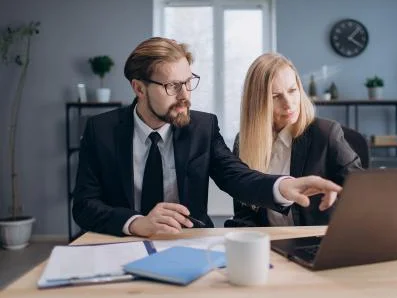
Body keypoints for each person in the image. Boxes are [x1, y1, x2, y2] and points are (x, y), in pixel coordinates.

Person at [72, 37, 342, 238]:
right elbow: (85, 206)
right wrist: (136, 222)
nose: (185, 96)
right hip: (122, 243)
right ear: (139, 88)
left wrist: (283, 187)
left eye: (188, 82)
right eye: (172, 86)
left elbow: (237, 176)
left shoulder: (202, 126)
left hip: (190, 242)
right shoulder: (101, 130)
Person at [228, 53, 362, 228]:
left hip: (316, 242)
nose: (289, 103)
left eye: (292, 90)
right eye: (276, 96)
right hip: (269, 244)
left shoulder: (326, 133)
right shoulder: (244, 142)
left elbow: (360, 192)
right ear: (257, 103)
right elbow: (244, 213)